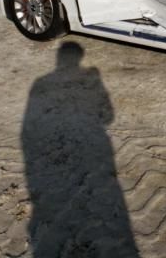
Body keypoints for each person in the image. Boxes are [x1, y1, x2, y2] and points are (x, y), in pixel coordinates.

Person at [21, 41, 139, 257]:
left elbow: (27, 128)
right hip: (94, 146)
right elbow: (108, 116)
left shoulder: (41, 83)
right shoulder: (91, 77)